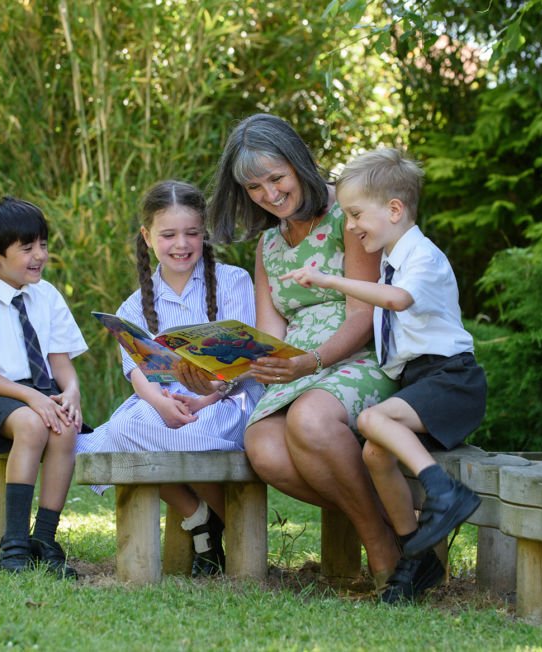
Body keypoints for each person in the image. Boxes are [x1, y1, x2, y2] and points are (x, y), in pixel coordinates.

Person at [201, 113, 402, 589]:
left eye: (276, 178)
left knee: (308, 420)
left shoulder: (346, 217)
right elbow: (268, 336)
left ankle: (380, 549)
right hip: (299, 368)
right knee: (263, 447)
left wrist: (309, 363)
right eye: (254, 188)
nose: (269, 195)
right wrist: (216, 376)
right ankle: (395, 524)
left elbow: (363, 314)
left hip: (359, 357)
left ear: (298, 163)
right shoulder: (269, 243)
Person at [280, 147, 487, 603]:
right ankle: (417, 557)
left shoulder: (421, 257)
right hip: (422, 381)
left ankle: (443, 492)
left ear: (394, 209)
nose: (350, 226)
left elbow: (395, 301)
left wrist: (330, 281)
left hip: (452, 380)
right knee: (375, 453)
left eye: (356, 214)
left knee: (372, 421)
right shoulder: (392, 255)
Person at [76, 180, 264, 576]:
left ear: (204, 234)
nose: (182, 244)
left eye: (192, 233)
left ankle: (220, 522)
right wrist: (161, 402)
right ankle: (198, 516)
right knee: (125, 430)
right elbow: (138, 376)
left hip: (224, 399)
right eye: (169, 234)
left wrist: (204, 398)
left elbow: (242, 360)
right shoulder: (133, 305)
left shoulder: (233, 282)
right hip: (164, 402)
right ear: (147, 237)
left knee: (192, 433)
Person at [0, 197, 87, 578]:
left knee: (65, 426)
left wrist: (70, 392)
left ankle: (44, 538)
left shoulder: (48, 295)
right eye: (26, 248)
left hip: (39, 391)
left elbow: (61, 363)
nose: (39, 255)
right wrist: (31, 397)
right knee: (32, 423)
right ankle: (14, 543)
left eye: (42, 244)